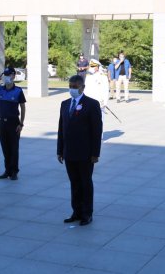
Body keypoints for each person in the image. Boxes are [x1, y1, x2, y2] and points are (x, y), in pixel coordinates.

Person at [58, 75, 103, 226]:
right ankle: (76, 212)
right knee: (74, 183)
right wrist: (60, 150)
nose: (72, 89)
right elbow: (61, 129)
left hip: (85, 153)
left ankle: (87, 213)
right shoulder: (64, 104)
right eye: (70, 86)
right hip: (69, 152)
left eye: (75, 87)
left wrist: (95, 153)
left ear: (83, 87)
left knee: (85, 183)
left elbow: (97, 131)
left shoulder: (92, 104)